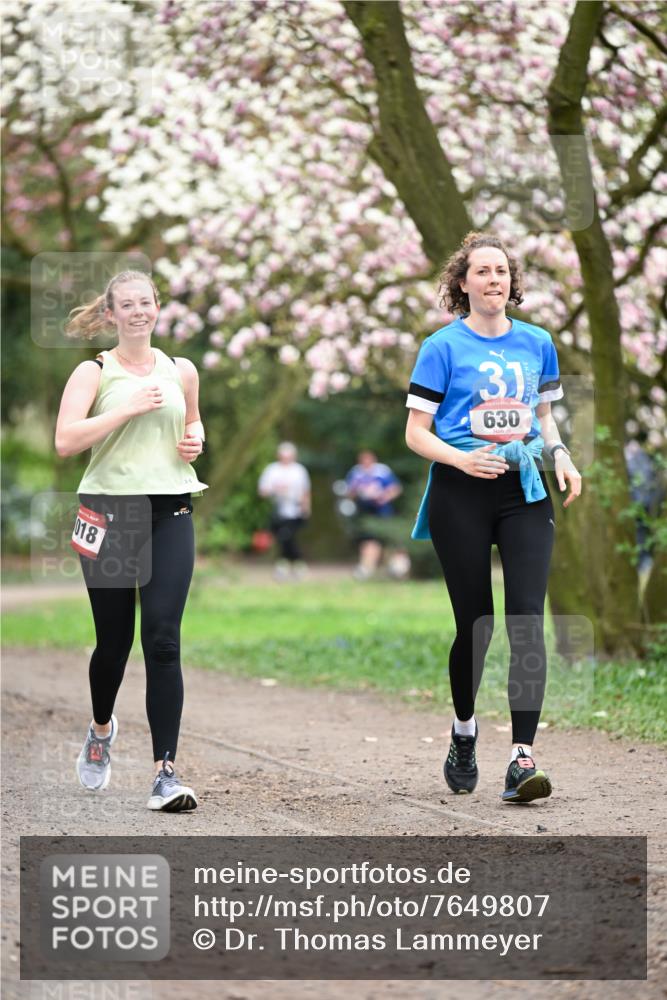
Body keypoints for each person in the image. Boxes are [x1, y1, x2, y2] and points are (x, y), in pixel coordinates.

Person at [405, 232, 581, 804]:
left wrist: (560, 454)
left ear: (512, 282)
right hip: (462, 489)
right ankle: (463, 731)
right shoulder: (441, 347)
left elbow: (545, 418)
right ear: (463, 283)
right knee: (476, 625)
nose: (493, 280)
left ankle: (522, 757)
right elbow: (415, 434)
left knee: (527, 620)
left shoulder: (537, 343)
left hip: (524, 486)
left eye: (501, 271)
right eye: (482, 271)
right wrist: (462, 459)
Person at [55, 270, 207, 812]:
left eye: (147, 302)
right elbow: (66, 441)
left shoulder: (181, 370)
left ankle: (165, 773)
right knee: (114, 643)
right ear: (111, 314)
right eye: (128, 304)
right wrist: (125, 408)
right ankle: (100, 730)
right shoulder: (93, 371)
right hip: (109, 512)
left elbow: (192, 428)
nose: (139, 311)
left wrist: (194, 438)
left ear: (157, 308)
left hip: (171, 509)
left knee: (163, 639)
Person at [345, 450, 402, 579]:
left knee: (385, 540)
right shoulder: (356, 473)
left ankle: (390, 568)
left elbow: (396, 488)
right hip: (364, 513)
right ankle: (367, 568)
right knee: (368, 540)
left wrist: (384, 496)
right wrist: (358, 491)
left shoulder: (382, 471)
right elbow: (349, 493)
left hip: (382, 512)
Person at [258, 442, 311, 580]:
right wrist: (276, 489)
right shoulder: (272, 470)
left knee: (287, 536)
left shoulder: (299, 470)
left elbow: (305, 491)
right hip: (278, 510)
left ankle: (286, 565)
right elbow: (263, 490)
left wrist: (306, 507)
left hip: (295, 510)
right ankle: (294, 564)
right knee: (284, 538)